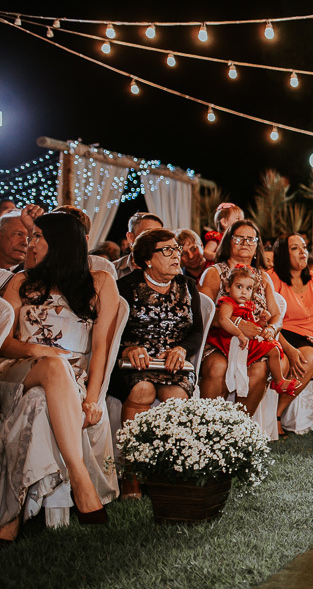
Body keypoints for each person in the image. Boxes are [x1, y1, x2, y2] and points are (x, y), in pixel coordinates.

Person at [0, 211, 120, 543]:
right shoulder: (20, 282)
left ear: (61, 243)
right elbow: (3, 342)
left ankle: (11, 516)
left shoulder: (100, 282)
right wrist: (38, 350)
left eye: (37, 236)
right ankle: (80, 477)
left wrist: (92, 399)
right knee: (53, 366)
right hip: (18, 372)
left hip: (70, 381)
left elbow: (101, 348)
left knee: (40, 402)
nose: (30, 243)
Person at [110, 228, 205, 499]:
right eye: (167, 250)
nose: (176, 255)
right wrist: (128, 348)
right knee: (143, 391)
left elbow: (197, 331)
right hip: (132, 363)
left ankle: (167, 471)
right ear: (147, 259)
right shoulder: (124, 287)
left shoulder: (188, 286)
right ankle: (132, 475)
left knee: (176, 397)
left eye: (176, 249)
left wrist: (182, 349)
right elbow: (108, 331)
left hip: (173, 362)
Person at [198, 220, 283, 415]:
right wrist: (238, 323)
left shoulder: (263, 277)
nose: (245, 243)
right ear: (228, 242)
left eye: (251, 239)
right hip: (220, 341)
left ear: (257, 245)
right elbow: (203, 312)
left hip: (252, 344)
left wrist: (271, 328)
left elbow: (277, 315)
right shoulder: (214, 272)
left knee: (260, 368)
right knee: (217, 366)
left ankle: (239, 425)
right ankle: (207, 422)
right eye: (239, 238)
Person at [267, 233, 313, 435]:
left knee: (310, 357)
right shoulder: (273, 277)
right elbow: (269, 319)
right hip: (279, 334)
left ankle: (277, 413)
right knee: (284, 363)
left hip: (305, 338)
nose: (303, 252)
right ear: (283, 254)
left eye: (304, 247)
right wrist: (289, 350)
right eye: (295, 248)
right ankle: (266, 414)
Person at [206, 264, 293, 400]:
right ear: (228, 287)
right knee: (272, 349)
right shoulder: (228, 303)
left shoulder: (247, 305)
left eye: (248, 288)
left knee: (274, 348)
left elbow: (252, 325)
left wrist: (262, 322)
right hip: (229, 339)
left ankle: (278, 380)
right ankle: (279, 382)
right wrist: (239, 333)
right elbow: (223, 320)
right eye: (239, 287)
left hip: (242, 339)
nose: (243, 292)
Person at [114, 212, 164, 279]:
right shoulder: (112, 269)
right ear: (130, 237)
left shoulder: (169, 269)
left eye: (159, 234)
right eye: (148, 233)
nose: (155, 239)